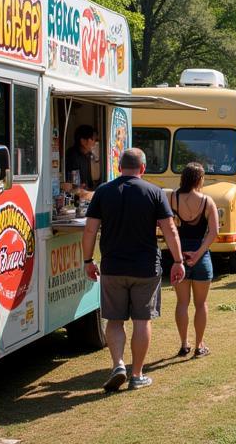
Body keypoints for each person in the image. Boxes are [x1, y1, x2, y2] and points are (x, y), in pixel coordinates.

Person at [83, 148, 185, 391]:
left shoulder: (103, 192)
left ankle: (118, 364)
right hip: (146, 267)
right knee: (142, 319)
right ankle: (137, 374)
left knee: (115, 319)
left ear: (119, 167)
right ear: (143, 168)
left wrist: (88, 260)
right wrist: (179, 260)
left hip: (113, 266)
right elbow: (170, 229)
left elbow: (90, 230)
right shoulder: (154, 192)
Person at [168, 162, 219, 358]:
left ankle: (183, 344)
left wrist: (179, 255)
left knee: (182, 303)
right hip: (201, 256)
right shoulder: (207, 201)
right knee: (201, 304)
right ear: (199, 179)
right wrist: (198, 253)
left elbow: (168, 227)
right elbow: (213, 232)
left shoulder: (173, 197)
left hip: (179, 255)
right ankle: (199, 345)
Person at [64, 124, 98, 194]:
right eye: (92, 139)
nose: (94, 142)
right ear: (83, 141)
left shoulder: (88, 155)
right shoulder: (72, 156)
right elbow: (75, 186)